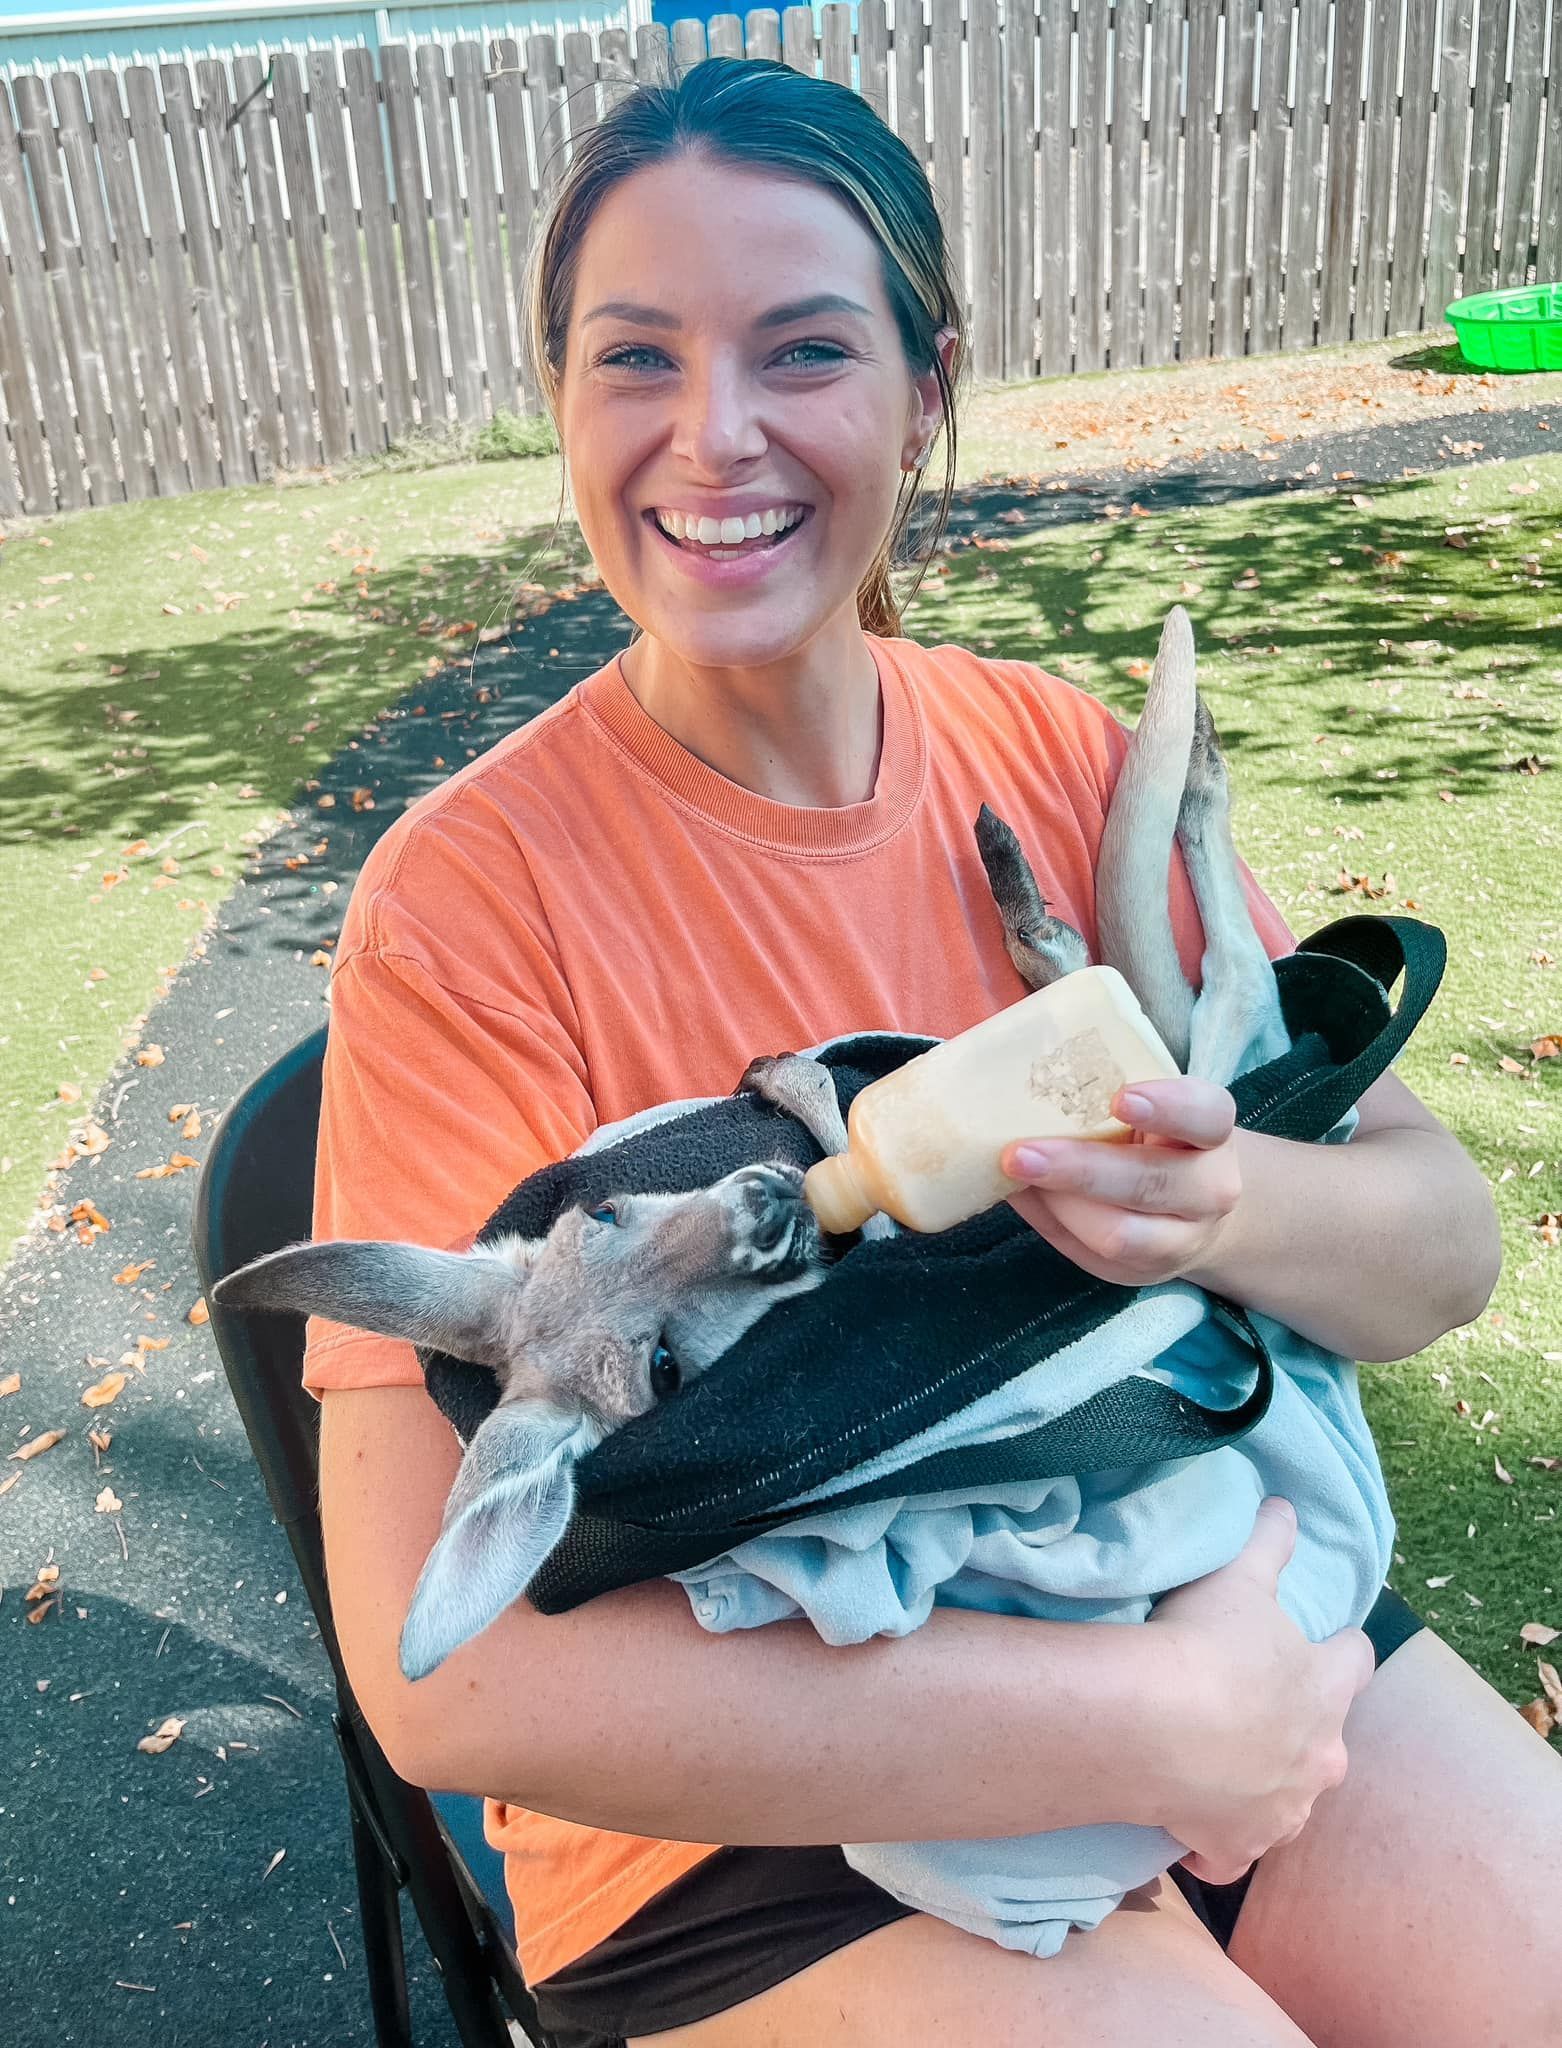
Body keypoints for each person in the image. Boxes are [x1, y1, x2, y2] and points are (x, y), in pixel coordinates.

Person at [305, 57, 1560, 2048]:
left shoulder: (1058, 767)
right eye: (635, 357)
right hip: (746, 1807)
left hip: (1176, 1571)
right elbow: (446, 1676)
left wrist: (1223, 1201)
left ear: (925, 386)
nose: (710, 436)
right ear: (561, 399)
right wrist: (1155, 1723)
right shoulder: (465, 907)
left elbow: (1437, 1253)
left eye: (803, 347)